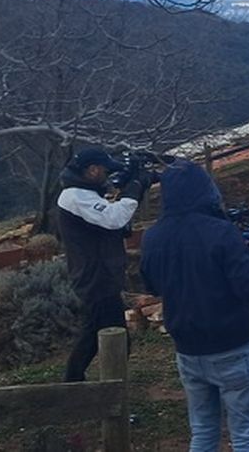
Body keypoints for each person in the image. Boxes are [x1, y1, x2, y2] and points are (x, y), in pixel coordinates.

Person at [141, 160, 249, 452]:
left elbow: (152, 286)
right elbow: (248, 286)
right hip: (231, 346)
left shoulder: (152, 236)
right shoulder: (221, 231)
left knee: (203, 432)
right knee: (244, 436)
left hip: (188, 348)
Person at [56, 146, 153, 383]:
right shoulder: (76, 197)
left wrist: (132, 187)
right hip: (96, 277)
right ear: (92, 170)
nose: (107, 176)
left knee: (92, 335)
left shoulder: (80, 193)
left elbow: (106, 221)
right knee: (116, 341)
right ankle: (109, 395)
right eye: (105, 171)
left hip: (96, 275)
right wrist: (135, 187)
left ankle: (75, 385)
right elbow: (113, 218)